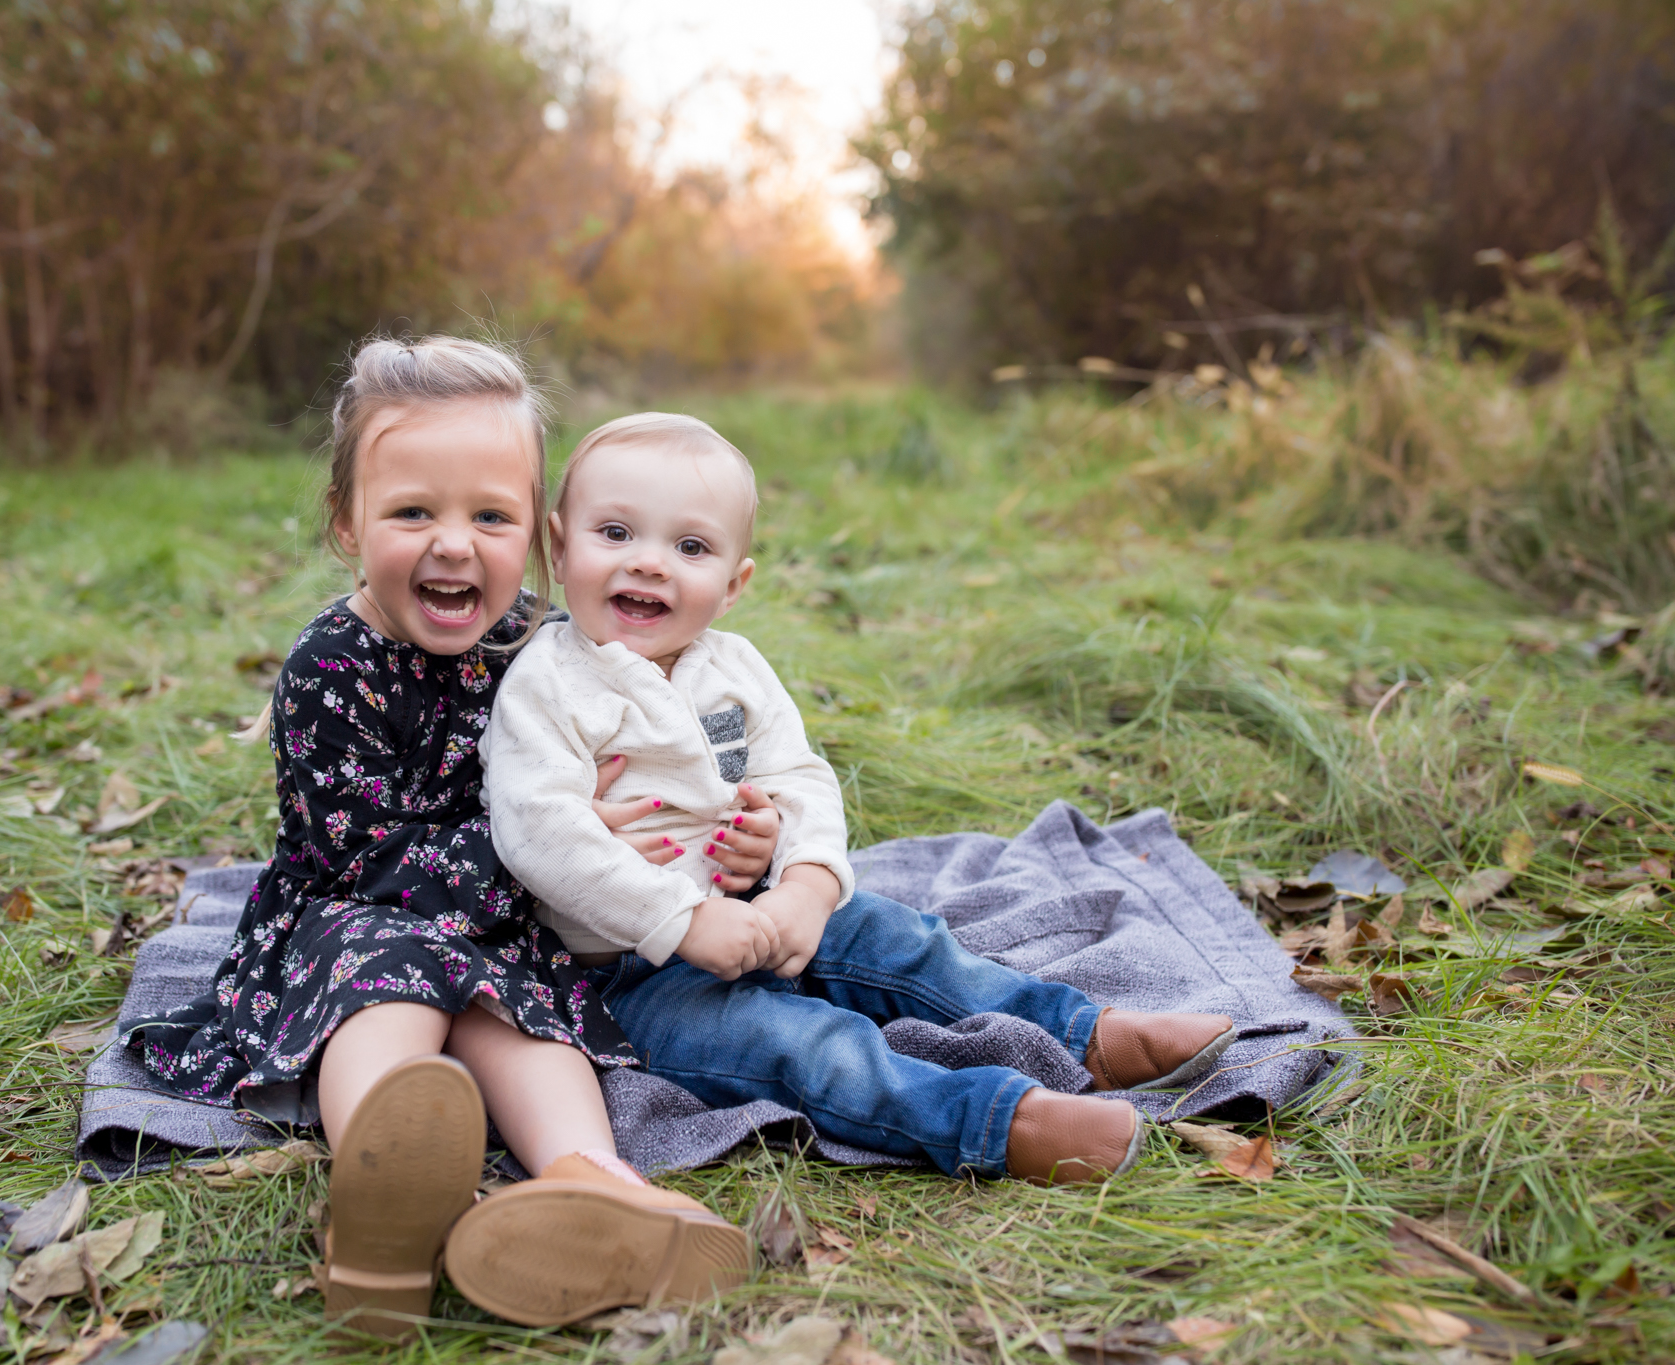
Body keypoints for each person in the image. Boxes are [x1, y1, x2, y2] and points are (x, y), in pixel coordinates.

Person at [120, 344, 750, 1341]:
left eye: (489, 517)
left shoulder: (541, 647)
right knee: (394, 987)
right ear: (347, 523)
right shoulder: (330, 666)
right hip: (353, 914)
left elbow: (636, 761)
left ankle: (592, 1180)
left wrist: (713, 836)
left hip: (503, 923)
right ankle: (387, 1178)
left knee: (521, 1018)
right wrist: (543, 848)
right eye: (414, 513)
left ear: (538, 536)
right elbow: (353, 856)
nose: (453, 545)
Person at [470, 412, 1239, 1191]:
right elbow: (540, 831)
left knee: (905, 942)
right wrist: (687, 921)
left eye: (691, 547)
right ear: (560, 549)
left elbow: (799, 778)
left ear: (735, 583)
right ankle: (1003, 1120)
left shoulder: (733, 667)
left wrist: (803, 883)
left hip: (765, 909)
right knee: (808, 1045)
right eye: (616, 533)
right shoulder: (548, 683)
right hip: (627, 976)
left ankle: (1085, 1032)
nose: (650, 564)